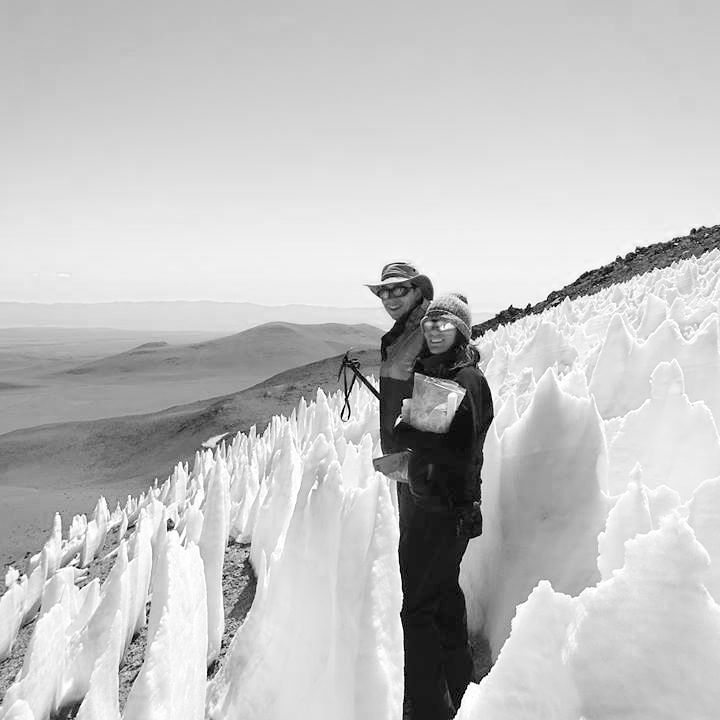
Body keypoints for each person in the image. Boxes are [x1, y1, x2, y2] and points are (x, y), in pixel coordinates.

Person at [392, 292, 494, 720]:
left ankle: (429, 707)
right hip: (437, 506)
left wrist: (408, 433)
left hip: (447, 511)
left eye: (444, 323)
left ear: (461, 331)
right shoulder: (438, 372)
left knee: (417, 609)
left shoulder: (467, 379)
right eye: (430, 322)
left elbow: (458, 447)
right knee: (445, 596)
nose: (434, 329)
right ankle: (460, 684)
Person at [365, 261, 434, 455]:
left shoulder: (432, 331)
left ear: (418, 292)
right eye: (384, 292)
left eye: (400, 290)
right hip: (403, 456)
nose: (390, 298)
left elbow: (446, 401)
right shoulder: (401, 334)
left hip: (424, 462)